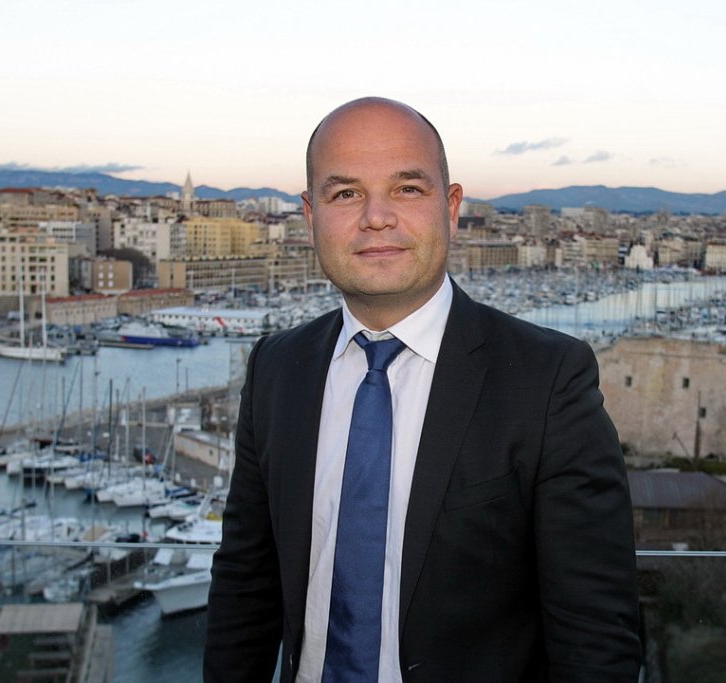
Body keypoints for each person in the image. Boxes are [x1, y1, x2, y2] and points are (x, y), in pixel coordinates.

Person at [204, 97, 642, 683]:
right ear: (309, 217)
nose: (376, 217)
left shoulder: (546, 380)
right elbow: (245, 585)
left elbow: (594, 634)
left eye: (408, 189)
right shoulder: (276, 369)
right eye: (345, 194)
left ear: (452, 207)